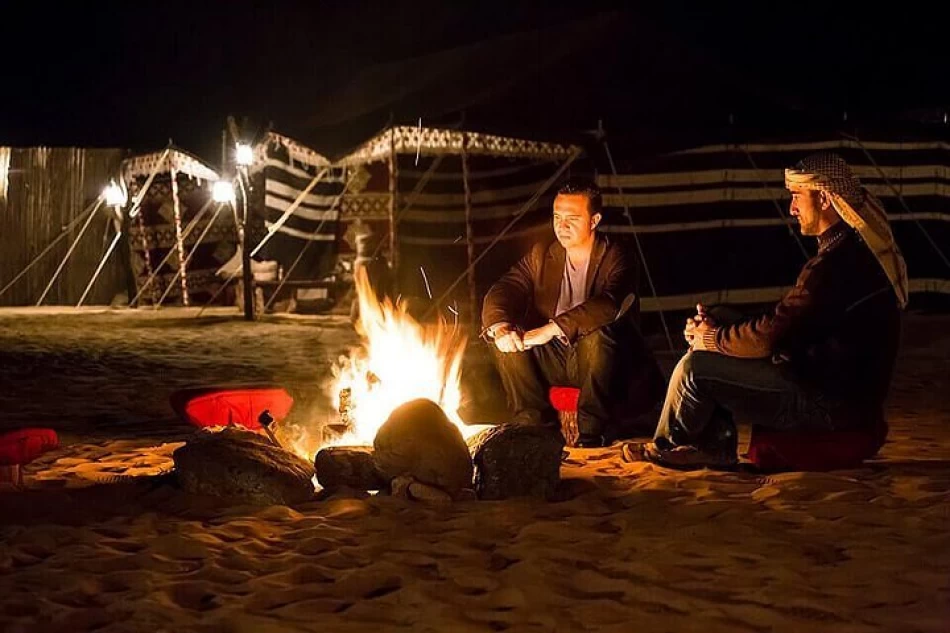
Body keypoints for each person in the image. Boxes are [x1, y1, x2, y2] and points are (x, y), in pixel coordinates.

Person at [623, 153, 907, 468]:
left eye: (797, 197)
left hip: (831, 406)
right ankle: (710, 443)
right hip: (831, 389)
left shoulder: (836, 267)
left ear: (825, 198)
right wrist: (717, 327)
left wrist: (712, 339)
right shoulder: (846, 252)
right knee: (724, 320)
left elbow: (771, 337)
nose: (792, 208)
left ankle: (675, 444)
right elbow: (788, 319)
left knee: (696, 368)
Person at [482, 181, 664, 447]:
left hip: (605, 362)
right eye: (557, 217)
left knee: (598, 334)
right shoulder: (542, 254)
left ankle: (591, 433)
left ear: (594, 220)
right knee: (505, 337)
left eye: (572, 218)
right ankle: (533, 426)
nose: (561, 226)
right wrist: (500, 327)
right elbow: (506, 287)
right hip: (557, 359)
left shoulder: (617, 254)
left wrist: (550, 329)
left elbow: (609, 305)